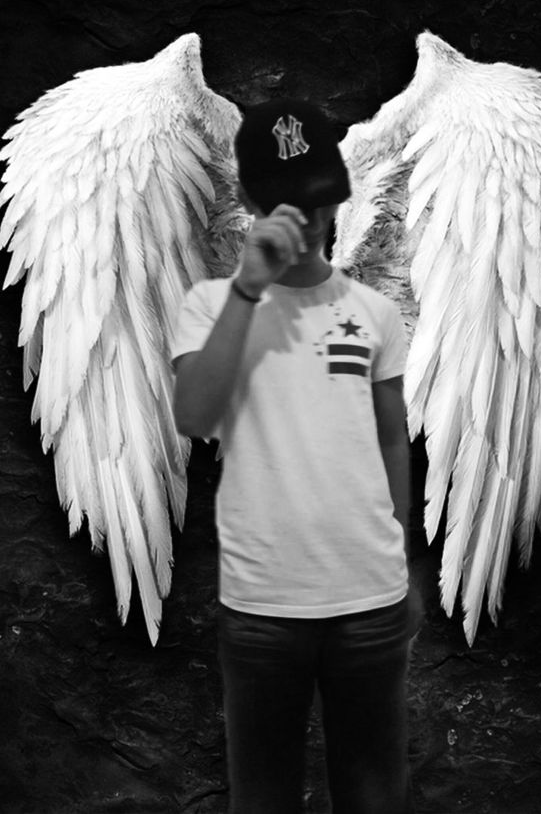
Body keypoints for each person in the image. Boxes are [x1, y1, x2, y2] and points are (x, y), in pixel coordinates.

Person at [171, 99, 417, 814]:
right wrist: (248, 290)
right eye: (284, 200)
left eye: (313, 197)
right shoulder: (209, 305)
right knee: (262, 797)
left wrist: (402, 561)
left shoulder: (374, 311)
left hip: (369, 598)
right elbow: (194, 415)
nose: (303, 217)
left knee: (375, 793)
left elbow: (392, 438)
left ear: (336, 195)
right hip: (261, 605)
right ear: (251, 202)